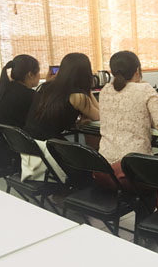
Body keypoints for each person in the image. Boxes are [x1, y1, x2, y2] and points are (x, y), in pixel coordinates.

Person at [23, 52, 100, 181]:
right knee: (91, 162)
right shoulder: (78, 96)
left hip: (30, 144)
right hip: (51, 148)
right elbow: (98, 116)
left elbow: (50, 116)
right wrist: (87, 89)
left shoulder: (45, 87)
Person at [98, 50, 158, 166]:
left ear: (112, 72)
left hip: (104, 165)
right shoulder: (144, 89)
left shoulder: (105, 90)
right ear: (137, 71)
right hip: (134, 166)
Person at [0, 54, 40, 170]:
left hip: (4, 147)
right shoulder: (30, 96)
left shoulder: (3, 90)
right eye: (38, 72)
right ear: (30, 74)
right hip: (20, 150)